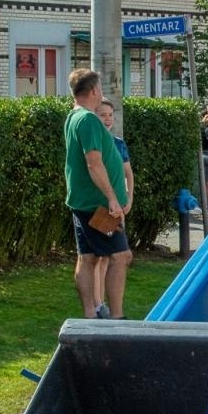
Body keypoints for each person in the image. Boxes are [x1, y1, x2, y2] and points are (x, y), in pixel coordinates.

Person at [65, 69, 131, 320]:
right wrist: (113, 198)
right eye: (100, 88)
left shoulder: (73, 117)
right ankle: (117, 317)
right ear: (93, 91)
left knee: (88, 257)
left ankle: (90, 316)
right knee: (120, 256)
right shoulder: (89, 120)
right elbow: (94, 162)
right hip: (98, 205)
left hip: (82, 201)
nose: (101, 91)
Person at [89, 98, 134, 319]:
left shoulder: (118, 143)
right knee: (101, 256)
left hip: (118, 206)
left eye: (109, 115)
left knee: (113, 256)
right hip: (101, 206)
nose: (107, 119)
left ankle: (106, 306)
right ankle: (99, 305)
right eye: (102, 115)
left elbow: (128, 173)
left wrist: (129, 196)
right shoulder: (93, 143)